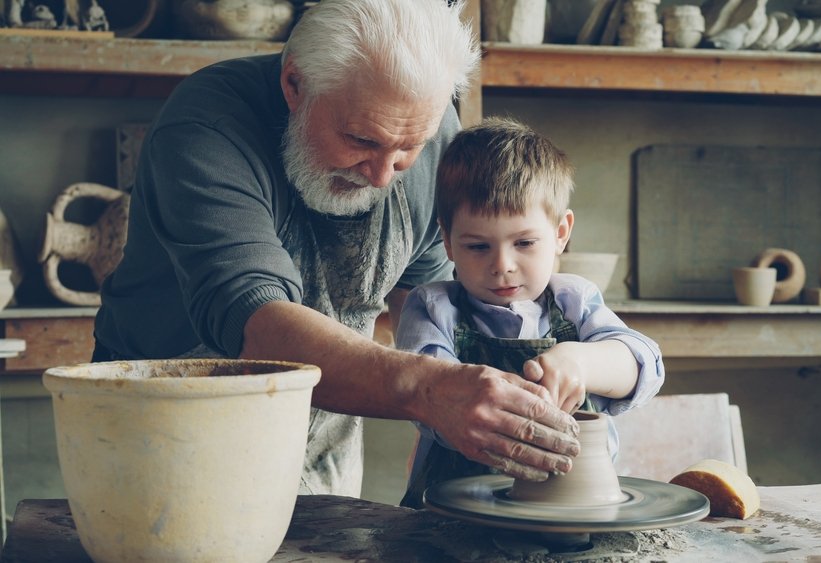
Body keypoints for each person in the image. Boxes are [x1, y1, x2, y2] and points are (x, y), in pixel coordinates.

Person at [93, 0, 581, 498]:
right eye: (361, 139)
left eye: (410, 147)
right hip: (168, 439)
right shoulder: (207, 128)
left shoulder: (435, 142)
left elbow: (430, 305)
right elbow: (259, 330)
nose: (383, 174)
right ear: (294, 85)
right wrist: (429, 392)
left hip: (327, 442)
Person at [395, 117, 665, 508]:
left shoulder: (573, 301)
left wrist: (582, 362)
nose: (502, 264)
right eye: (477, 247)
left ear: (560, 234)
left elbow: (646, 367)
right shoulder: (434, 308)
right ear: (448, 242)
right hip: (453, 516)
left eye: (524, 242)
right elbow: (428, 396)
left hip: (572, 510)